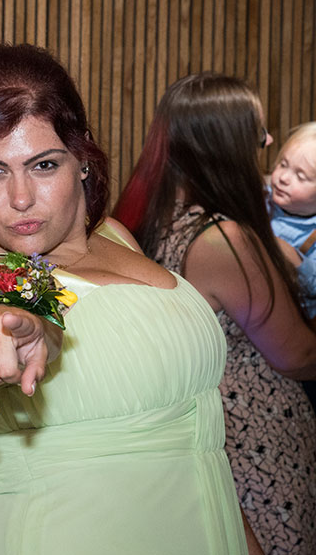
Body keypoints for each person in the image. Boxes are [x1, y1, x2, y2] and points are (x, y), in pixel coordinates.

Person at [0, 44, 248, 554]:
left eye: (44, 165)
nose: (21, 198)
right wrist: (9, 332)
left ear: (83, 161)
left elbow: (197, 441)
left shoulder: (115, 237)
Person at [114, 72, 316, 555]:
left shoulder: (156, 223)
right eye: (257, 131)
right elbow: (295, 354)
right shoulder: (221, 239)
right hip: (254, 456)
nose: (267, 142)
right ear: (225, 145)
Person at [269, 121, 316, 318]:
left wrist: (293, 257)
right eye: (283, 164)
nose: (284, 178)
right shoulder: (263, 200)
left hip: (290, 319)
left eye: (300, 176)